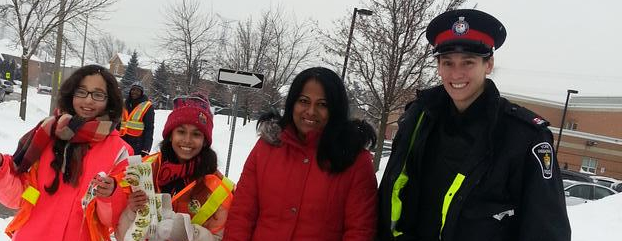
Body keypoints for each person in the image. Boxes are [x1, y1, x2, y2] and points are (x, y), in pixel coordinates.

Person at [375, 9, 570, 241]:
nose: (457, 74)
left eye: (468, 62)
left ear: (488, 64)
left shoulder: (525, 137)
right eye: (447, 62)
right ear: (438, 66)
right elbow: (388, 201)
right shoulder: (417, 119)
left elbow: (546, 232)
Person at [0, 65, 130, 241]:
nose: (88, 101)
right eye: (81, 92)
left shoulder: (120, 151)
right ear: (71, 94)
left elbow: (111, 220)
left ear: (109, 100)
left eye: (98, 94)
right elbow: (23, 196)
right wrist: (0, 168)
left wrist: (109, 195)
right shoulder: (45, 135)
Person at [224, 67, 379, 241]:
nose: (311, 111)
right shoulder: (267, 146)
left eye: (322, 104)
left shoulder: (355, 159)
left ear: (335, 109)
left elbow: (360, 231)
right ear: (292, 103)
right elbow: (241, 214)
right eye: (304, 101)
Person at [116, 93, 233, 240]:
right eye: (181, 132)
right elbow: (120, 235)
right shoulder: (145, 170)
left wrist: (193, 234)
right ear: (171, 135)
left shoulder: (218, 188)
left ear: (205, 141)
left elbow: (221, 236)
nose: (187, 140)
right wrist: (131, 211)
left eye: (196, 134)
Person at [120, 81, 155, 156]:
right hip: (122, 141)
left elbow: (149, 129)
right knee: (120, 165)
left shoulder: (147, 106)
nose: (135, 92)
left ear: (141, 92)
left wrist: (146, 149)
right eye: (133, 89)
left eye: (138, 90)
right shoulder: (125, 104)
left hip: (137, 145)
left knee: (133, 167)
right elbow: (118, 123)